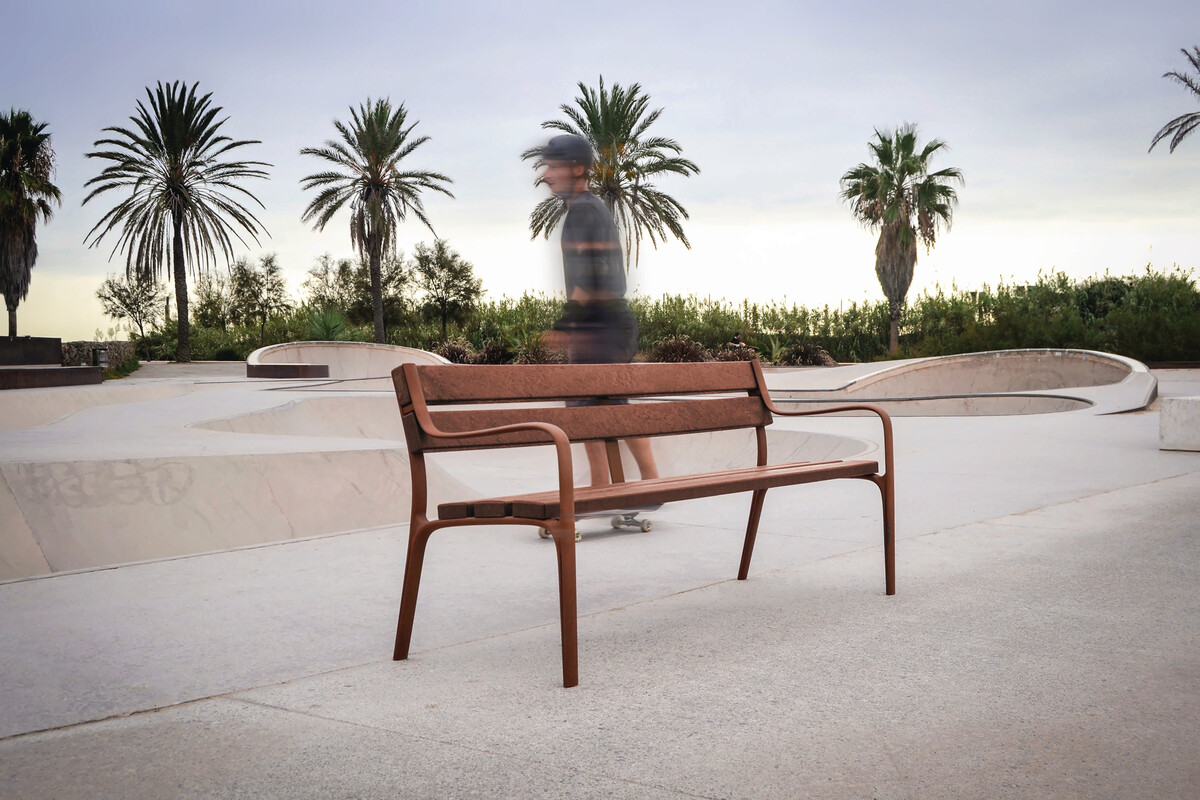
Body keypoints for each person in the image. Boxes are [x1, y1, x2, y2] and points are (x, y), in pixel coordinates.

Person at [538, 133, 658, 485]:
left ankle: (633, 482)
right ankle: (616, 484)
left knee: (592, 404)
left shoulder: (583, 211)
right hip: (607, 324)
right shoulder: (592, 209)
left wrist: (565, 326)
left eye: (554, 167)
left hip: (602, 326)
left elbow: (588, 278)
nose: (547, 175)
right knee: (598, 404)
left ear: (577, 169)